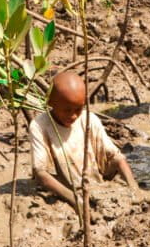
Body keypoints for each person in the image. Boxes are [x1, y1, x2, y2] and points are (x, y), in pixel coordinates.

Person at [29, 71, 138, 205]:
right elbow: (40, 173)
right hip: (65, 188)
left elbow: (117, 157)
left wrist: (134, 188)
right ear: (51, 102)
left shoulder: (89, 119)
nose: (74, 116)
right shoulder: (40, 125)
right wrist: (75, 200)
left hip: (94, 183)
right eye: (67, 110)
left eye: (78, 109)